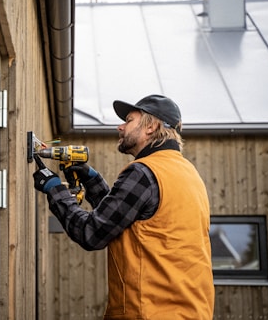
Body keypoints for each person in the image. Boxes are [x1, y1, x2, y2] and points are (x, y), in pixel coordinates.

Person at [33, 94, 214, 320]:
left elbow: (92, 233)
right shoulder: (188, 174)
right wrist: (91, 180)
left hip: (147, 313)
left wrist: (54, 189)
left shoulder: (143, 172)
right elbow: (126, 222)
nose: (120, 127)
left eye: (129, 120)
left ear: (152, 127)